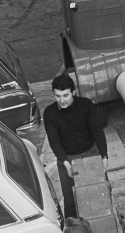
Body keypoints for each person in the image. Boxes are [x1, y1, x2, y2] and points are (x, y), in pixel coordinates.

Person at [43, 74, 108, 219]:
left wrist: (104, 156)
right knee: (70, 199)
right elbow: (54, 141)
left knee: (99, 192)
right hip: (67, 158)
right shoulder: (49, 113)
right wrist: (66, 163)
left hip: (91, 153)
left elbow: (97, 131)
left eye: (66, 95)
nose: (62, 100)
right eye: (58, 96)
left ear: (74, 92)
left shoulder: (86, 105)